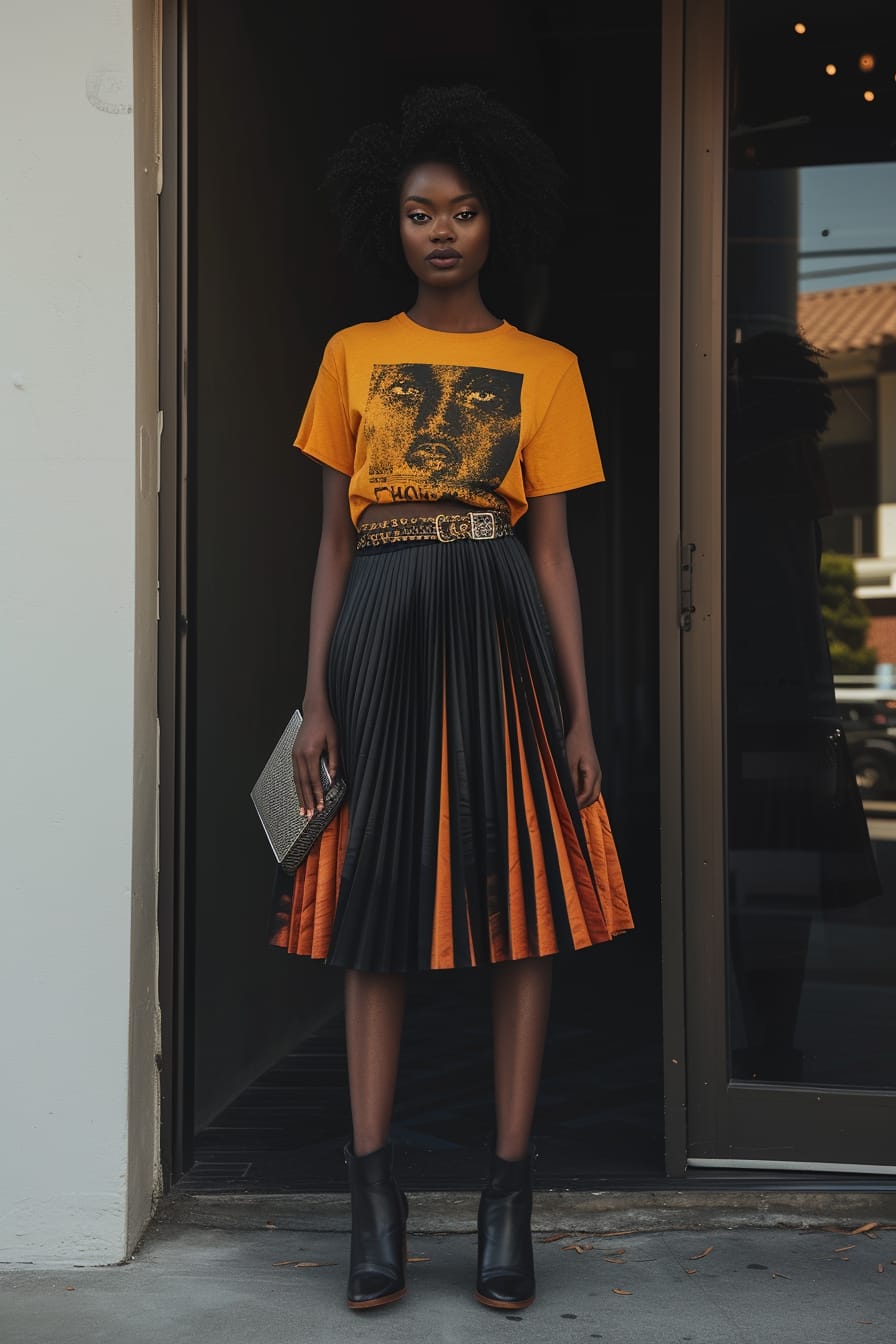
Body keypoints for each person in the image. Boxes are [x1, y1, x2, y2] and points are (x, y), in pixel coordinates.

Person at [269, 84, 633, 1312]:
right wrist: (315, 698)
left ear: (496, 224)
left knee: (518, 905)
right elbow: (329, 544)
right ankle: (372, 1202)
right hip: (377, 630)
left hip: (499, 631)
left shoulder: (546, 369)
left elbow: (554, 556)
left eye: (463, 212)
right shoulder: (350, 355)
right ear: (393, 224)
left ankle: (504, 1198)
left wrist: (580, 714)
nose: (440, 232)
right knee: (375, 910)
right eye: (420, 212)